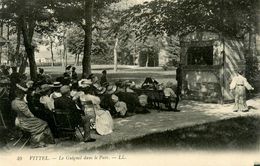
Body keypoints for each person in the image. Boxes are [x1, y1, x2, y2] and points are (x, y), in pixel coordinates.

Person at [11, 83, 54, 148]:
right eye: (23, 94)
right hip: (25, 121)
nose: (24, 95)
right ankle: (36, 141)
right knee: (44, 123)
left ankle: (39, 140)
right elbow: (29, 114)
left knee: (41, 121)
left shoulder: (13, 102)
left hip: (18, 119)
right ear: (20, 94)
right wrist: (34, 117)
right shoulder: (20, 103)